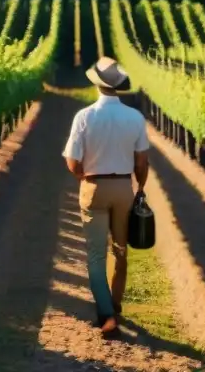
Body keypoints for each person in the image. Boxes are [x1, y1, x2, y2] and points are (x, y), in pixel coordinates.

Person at [62, 56, 150, 337]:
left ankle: (106, 314)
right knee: (120, 251)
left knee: (96, 255)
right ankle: (114, 302)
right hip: (123, 187)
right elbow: (141, 163)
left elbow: (73, 162)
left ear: (96, 85)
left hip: (93, 187)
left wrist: (84, 178)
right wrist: (140, 188)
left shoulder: (84, 117)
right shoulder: (134, 118)